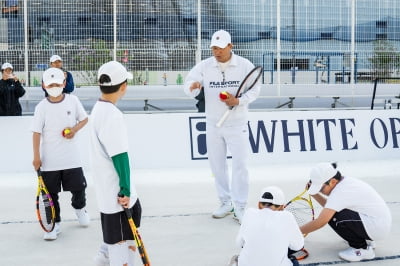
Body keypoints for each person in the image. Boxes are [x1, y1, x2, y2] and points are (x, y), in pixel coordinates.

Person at [184, 29, 260, 223]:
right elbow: (190, 82)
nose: (216, 52)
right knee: (217, 166)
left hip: (237, 124)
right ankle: (225, 202)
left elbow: (255, 89)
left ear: (230, 46)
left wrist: (239, 101)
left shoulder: (244, 65)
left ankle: (240, 205)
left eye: (220, 48)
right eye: (213, 48)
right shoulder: (205, 66)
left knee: (240, 165)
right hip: (213, 124)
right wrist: (192, 87)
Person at [90, 61, 141, 266]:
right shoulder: (112, 115)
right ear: (123, 87)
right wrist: (125, 189)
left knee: (110, 248)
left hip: (107, 196)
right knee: (122, 256)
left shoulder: (98, 109)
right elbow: (120, 157)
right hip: (119, 199)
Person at [31, 67, 90, 240]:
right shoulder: (41, 107)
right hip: (50, 161)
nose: (54, 87)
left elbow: (84, 119)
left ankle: (80, 209)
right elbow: (36, 133)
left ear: (64, 83)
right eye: (50, 84)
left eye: (57, 83)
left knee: (79, 189)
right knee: (50, 196)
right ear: (43, 85)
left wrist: (74, 130)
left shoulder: (73, 100)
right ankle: (54, 225)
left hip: (72, 158)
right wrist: (36, 157)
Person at [301, 162, 392, 262]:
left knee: (333, 217)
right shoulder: (345, 183)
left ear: (332, 181)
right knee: (333, 213)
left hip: (376, 227)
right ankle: (366, 239)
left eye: (321, 188)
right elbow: (330, 206)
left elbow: (321, 221)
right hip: (376, 223)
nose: (320, 191)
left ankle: (362, 249)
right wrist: (315, 194)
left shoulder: (341, 192)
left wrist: (296, 232)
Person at [235, 186, 304, 266]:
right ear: (282, 207)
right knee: (293, 260)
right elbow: (298, 246)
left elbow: (239, 243)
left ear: (259, 204)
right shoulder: (287, 216)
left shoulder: (249, 213)